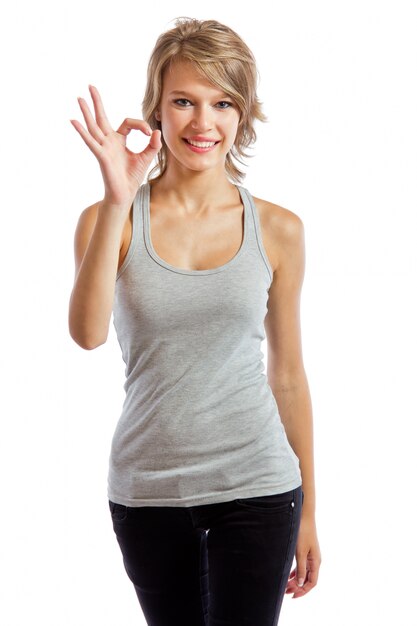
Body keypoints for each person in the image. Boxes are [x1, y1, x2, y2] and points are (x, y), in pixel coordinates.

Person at [68, 16, 321, 626]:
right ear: (156, 108)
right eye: (183, 101)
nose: (202, 123)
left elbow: (287, 374)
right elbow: (87, 333)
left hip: (258, 485)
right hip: (147, 492)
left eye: (222, 103)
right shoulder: (113, 219)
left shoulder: (279, 230)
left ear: (243, 114)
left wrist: (309, 509)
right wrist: (117, 198)